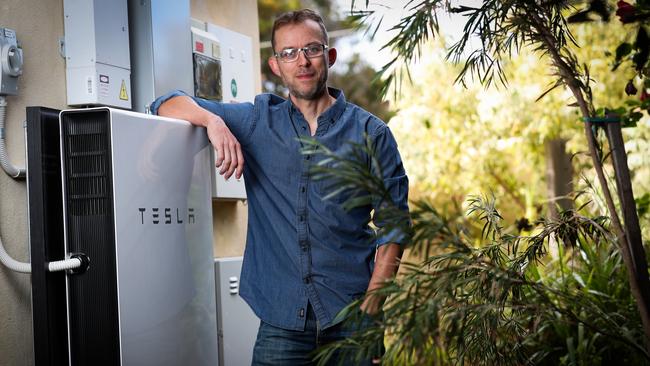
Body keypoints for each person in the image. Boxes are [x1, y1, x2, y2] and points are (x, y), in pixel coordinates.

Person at [151, 9, 409, 365]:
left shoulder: (372, 134)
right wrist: (213, 122)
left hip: (351, 318)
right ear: (276, 65)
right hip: (282, 322)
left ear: (329, 56)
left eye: (312, 49)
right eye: (289, 52)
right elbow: (165, 104)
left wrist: (371, 311)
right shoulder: (257, 119)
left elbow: (394, 228)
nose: (301, 61)